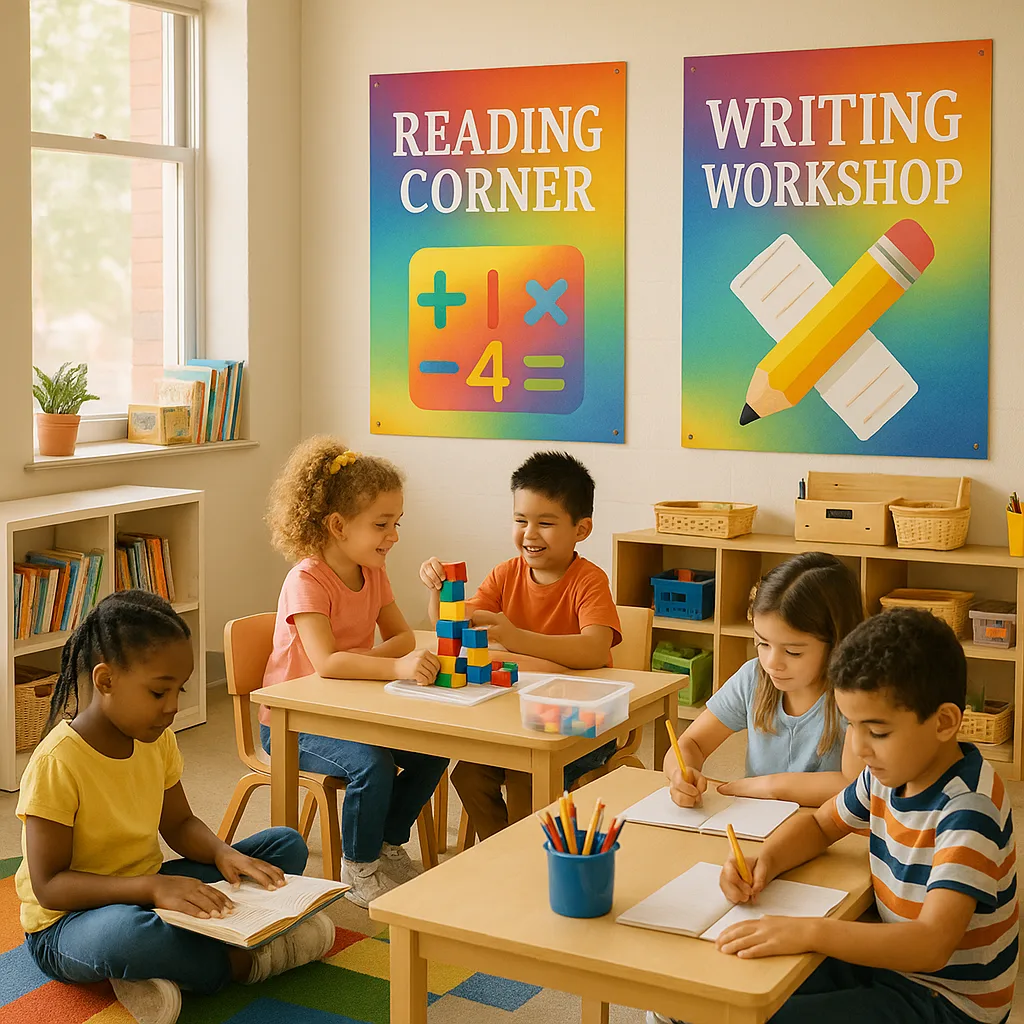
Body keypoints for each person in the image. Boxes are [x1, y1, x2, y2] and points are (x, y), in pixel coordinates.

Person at [16, 591, 331, 1024]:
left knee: (284, 847)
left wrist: (224, 854)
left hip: (147, 890)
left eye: (178, 691)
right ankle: (248, 961)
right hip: (67, 924)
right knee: (126, 936)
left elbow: (180, 823)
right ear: (105, 681)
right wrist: (150, 890)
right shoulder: (57, 762)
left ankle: (163, 968)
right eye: (159, 691)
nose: (172, 707)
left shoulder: (155, 737)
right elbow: (50, 885)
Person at [713, 608, 1018, 1024]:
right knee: (736, 987)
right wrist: (765, 860)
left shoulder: (968, 809)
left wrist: (809, 929)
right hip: (891, 966)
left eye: (876, 731)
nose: (859, 747)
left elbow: (930, 945)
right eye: (851, 726)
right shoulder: (889, 774)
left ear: (944, 721)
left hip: (947, 1002)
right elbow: (822, 824)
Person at [262, 436, 448, 907]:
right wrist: (395, 666)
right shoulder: (306, 580)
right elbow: (327, 663)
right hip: (295, 724)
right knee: (372, 765)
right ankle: (359, 865)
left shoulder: (374, 571)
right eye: (382, 524)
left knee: (432, 752)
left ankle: (387, 842)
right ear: (338, 525)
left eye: (396, 522)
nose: (395, 535)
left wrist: (397, 661)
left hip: (352, 709)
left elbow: (404, 635)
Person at [421, 450, 621, 839]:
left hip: (579, 721)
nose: (529, 534)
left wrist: (513, 639)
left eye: (545, 522)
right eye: (520, 520)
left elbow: (595, 650)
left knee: (524, 771)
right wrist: (439, 588)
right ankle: (504, 853)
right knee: (469, 773)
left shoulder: (588, 580)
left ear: (582, 529)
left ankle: (530, 859)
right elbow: (455, 625)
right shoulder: (505, 574)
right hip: (512, 715)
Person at [663, 552, 863, 809]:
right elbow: (692, 743)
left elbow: (854, 785)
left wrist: (770, 787)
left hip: (829, 824)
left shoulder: (857, 693)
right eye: (762, 642)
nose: (772, 663)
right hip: (757, 820)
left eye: (793, 652)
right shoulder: (754, 677)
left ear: (837, 642)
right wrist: (681, 773)